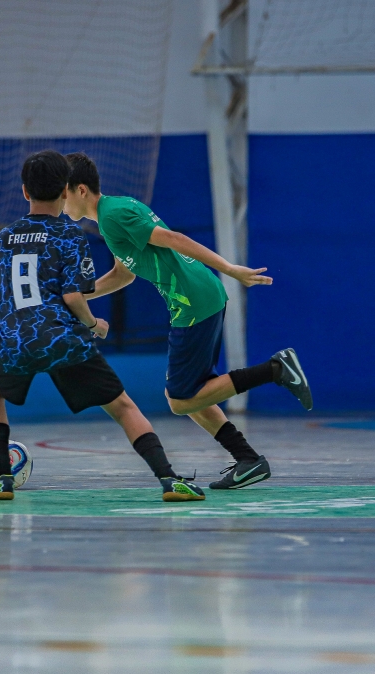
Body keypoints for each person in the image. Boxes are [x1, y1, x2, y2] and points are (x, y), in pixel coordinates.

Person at [63, 152, 312, 491]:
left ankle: (277, 369)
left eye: (63, 193)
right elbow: (124, 274)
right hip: (198, 297)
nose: (61, 202)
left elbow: (175, 239)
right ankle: (248, 459)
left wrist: (230, 268)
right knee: (193, 394)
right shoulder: (113, 213)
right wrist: (77, 296)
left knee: (181, 400)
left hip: (193, 301)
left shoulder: (113, 215)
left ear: (80, 190)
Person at [0, 150, 204, 503]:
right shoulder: (70, 234)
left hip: (15, 339)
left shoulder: (2, 238)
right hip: (62, 339)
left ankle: (1, 477)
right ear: (66, 191)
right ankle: (169, 479)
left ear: (24, 191)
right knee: (122, 407)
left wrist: (12, 309)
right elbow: (73, 296)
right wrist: (94, 324)